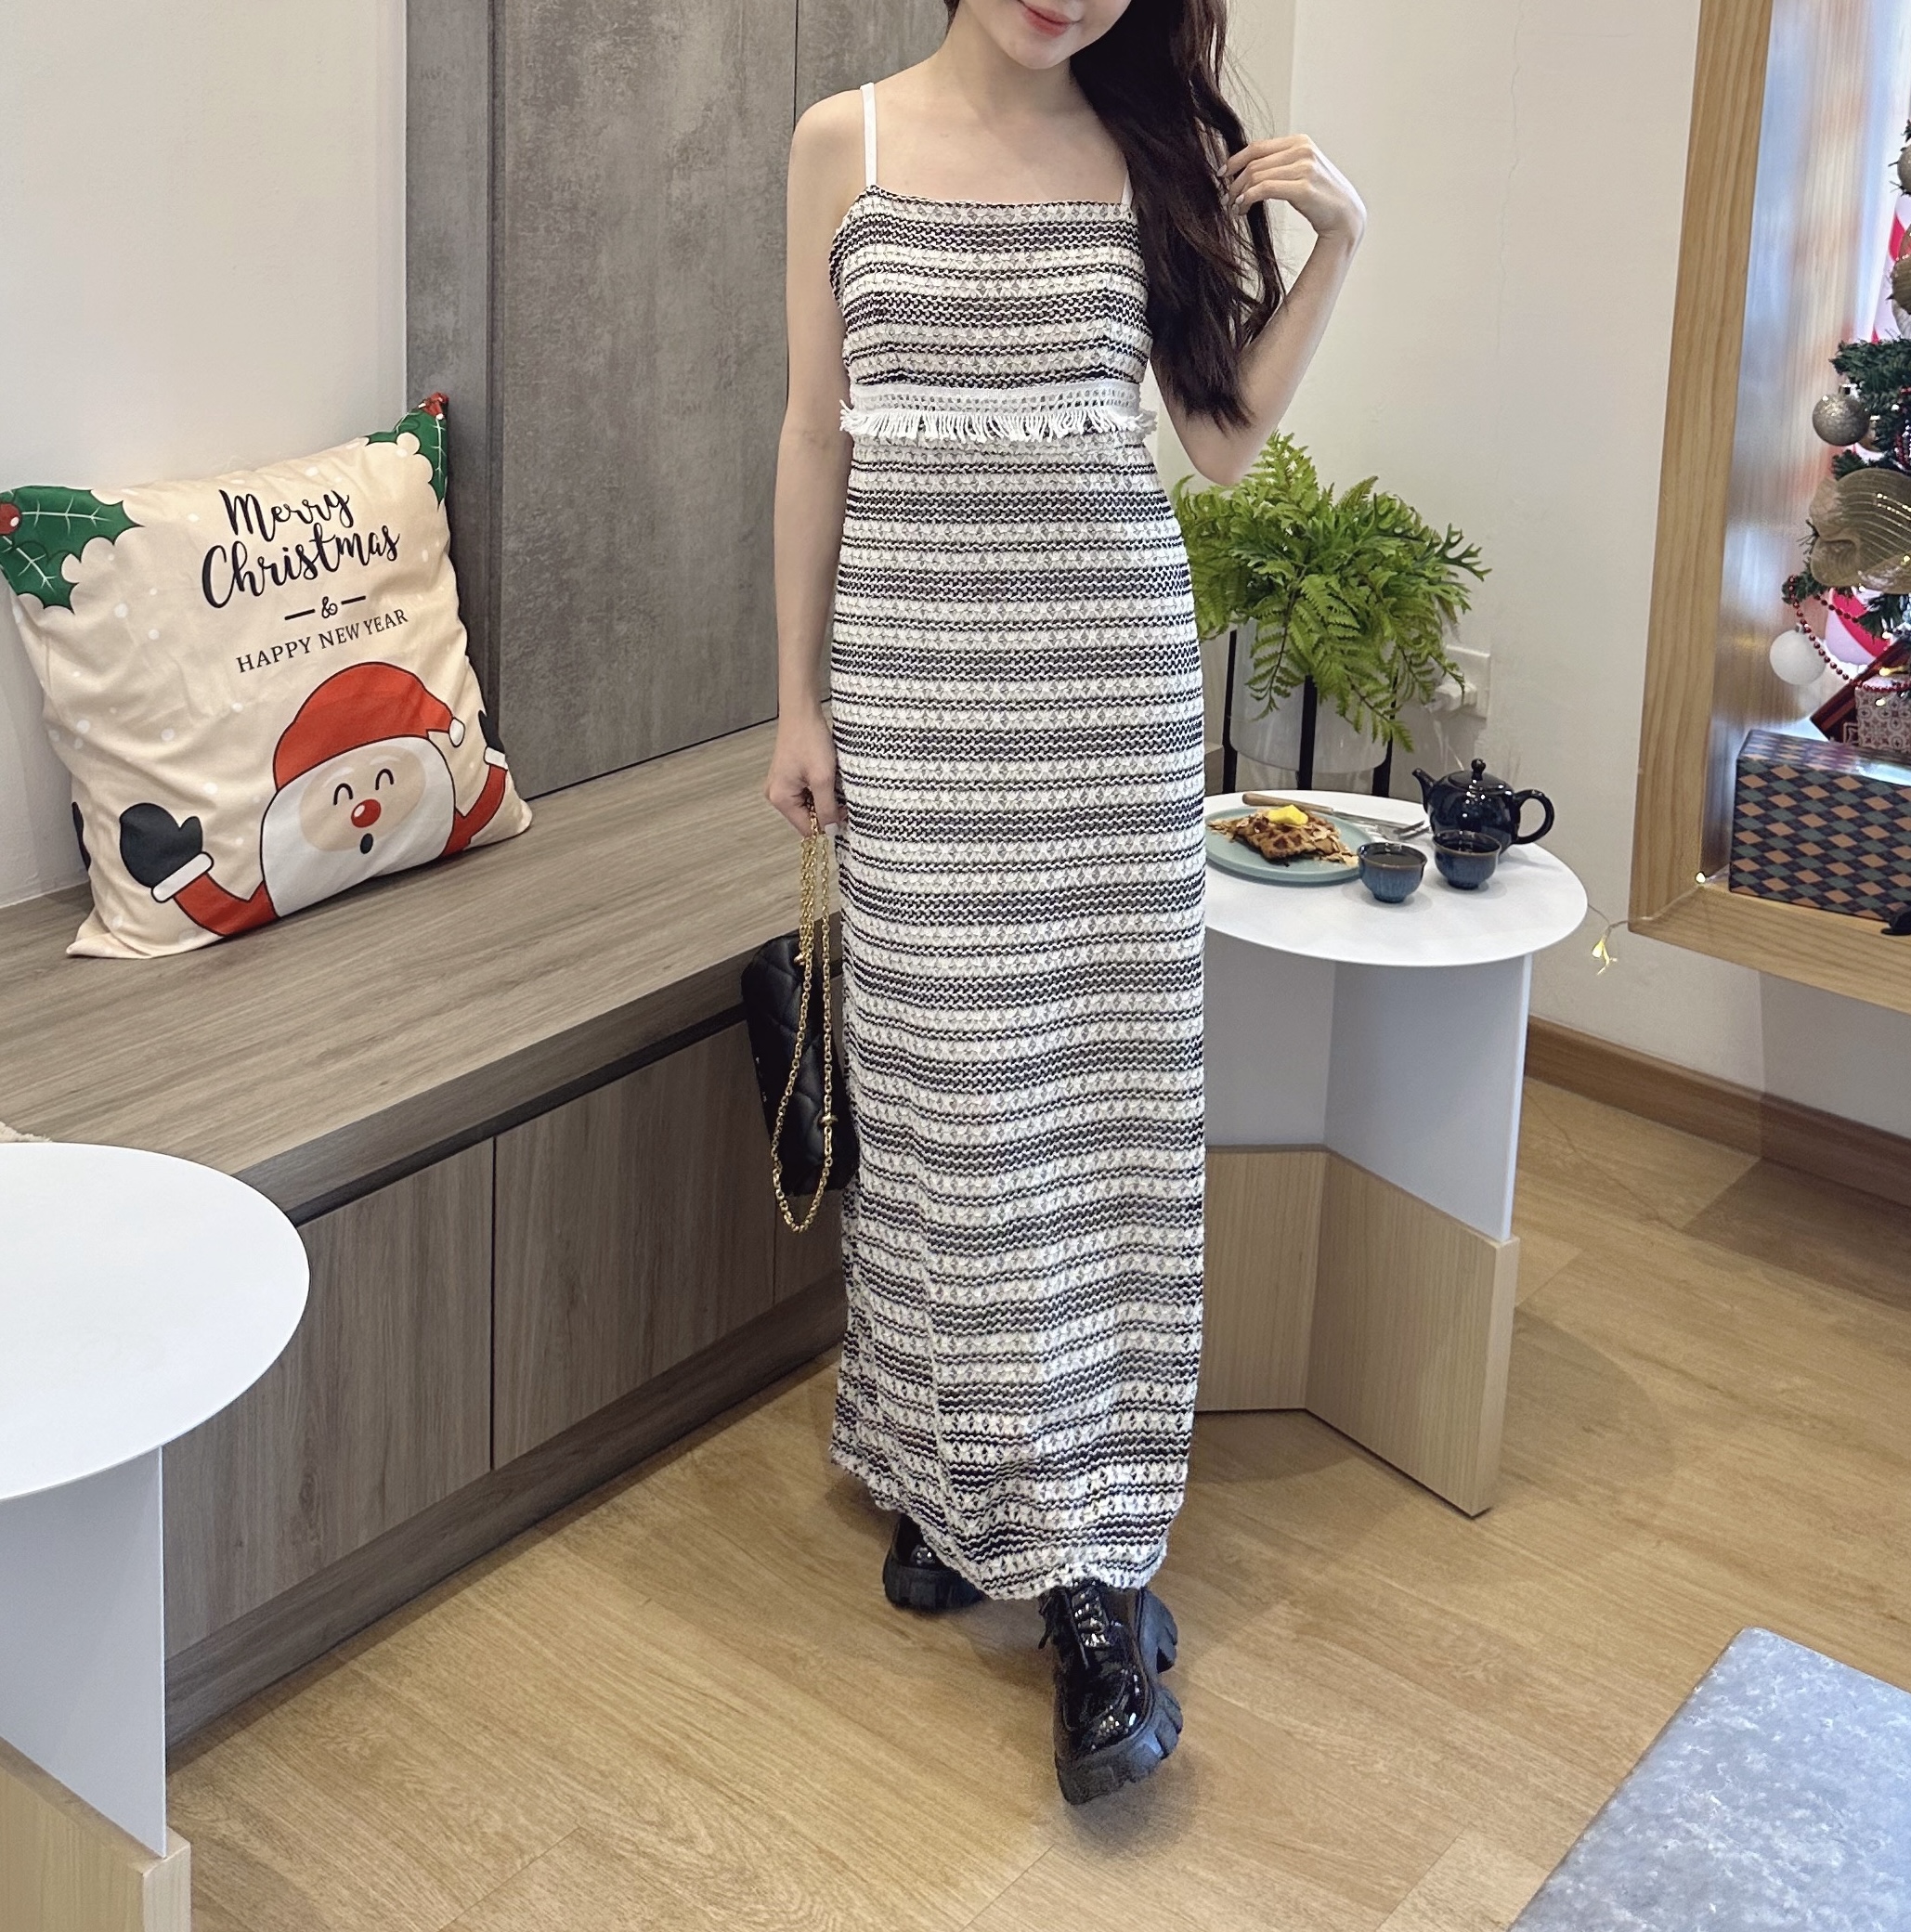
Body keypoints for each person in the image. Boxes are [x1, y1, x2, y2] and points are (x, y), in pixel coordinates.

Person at [764, 0, 1363, 1805]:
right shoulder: (844, 144)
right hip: (916, 706)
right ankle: (947, 1472)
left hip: (1103, 710)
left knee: (1098, 1126)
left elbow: (1221, 444)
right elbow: (813, 432)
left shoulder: (1146, 155)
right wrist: (795, 700)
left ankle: (1092, 1578)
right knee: (951, 1121)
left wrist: (1342, 246)